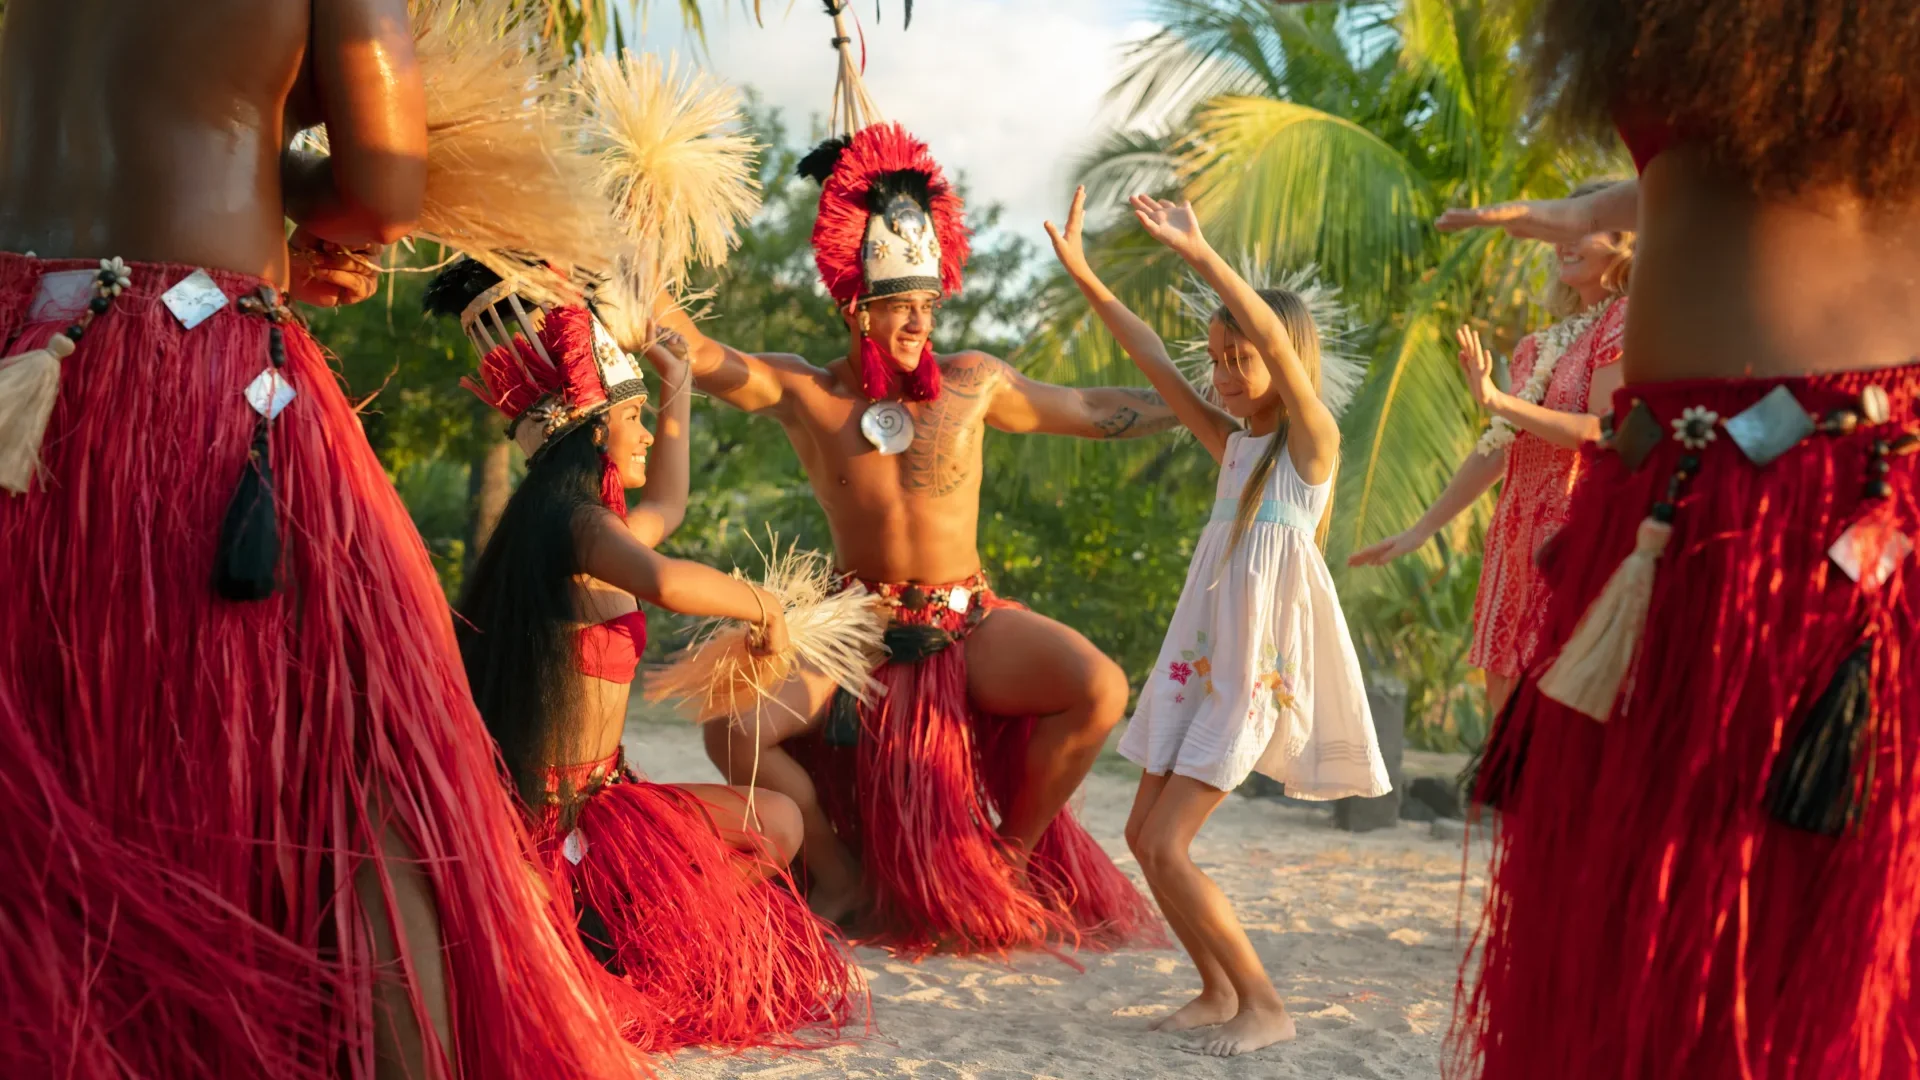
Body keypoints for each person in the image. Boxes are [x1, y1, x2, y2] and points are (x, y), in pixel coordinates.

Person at [0, 2, 639, 1078]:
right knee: (374, 758)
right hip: (192, 362)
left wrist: (252, 165)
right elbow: (383, 190)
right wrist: (284, 191)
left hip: (23, 352)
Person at [1437, 2, 1920, 1077]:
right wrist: (1562, 211)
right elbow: (1671, 176)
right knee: (1646, 930)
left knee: (1810, 920)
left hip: (1855, 489)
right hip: (1667, 497)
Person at [663, 122, 1166, 957]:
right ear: (856, 305)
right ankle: (836, 870)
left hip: (965, 622)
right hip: (853, 630)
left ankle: (1008, 857)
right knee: (733, 726)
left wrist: (1203, 409)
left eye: (928, 306)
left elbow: (1086, 410)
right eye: (901, 306)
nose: (918, 323)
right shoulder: (808, 393)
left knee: (1101, 688)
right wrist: (644, 252)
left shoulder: (972, 383)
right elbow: (700, 353)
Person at [427, 260, 865, 1051]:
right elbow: (665, 580)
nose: (638, 437)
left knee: (774, 820)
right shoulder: (574, 529)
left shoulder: (595, 526)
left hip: (610, 800)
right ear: (596, 428)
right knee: (766, 826)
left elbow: (667, 505)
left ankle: (627, 937)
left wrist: (676, 385)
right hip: (552, 820)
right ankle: (607, 939)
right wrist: (765, 604)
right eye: (629, 421)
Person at [1048, 187, 1390, 1056]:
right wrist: (1087, 277)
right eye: (1220, 358)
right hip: (1204, 667)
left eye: (1241, 358)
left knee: (1168, 843)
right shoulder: (1234, 445)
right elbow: (1158, 360)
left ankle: (1265, 1006)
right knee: (1140, 834)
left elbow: (1274, 337)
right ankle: (1213, 988)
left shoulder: (1308, 445)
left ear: (1283, 362)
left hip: (1253, 677)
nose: (1225, 373)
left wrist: (1201, 257)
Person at [1349, 183, 1633, 717]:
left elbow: (1599, 430)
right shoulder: (1539, 345)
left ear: (1624, 242)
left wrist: (1499, 399)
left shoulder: (1622, 322)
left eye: (1581, 231)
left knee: (1551, 710)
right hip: (1514, 539)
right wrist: (1420, 530)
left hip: (1570, 535)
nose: (1564, 245)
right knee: (1503, 709)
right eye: (1561, 234)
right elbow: (1496, 449)